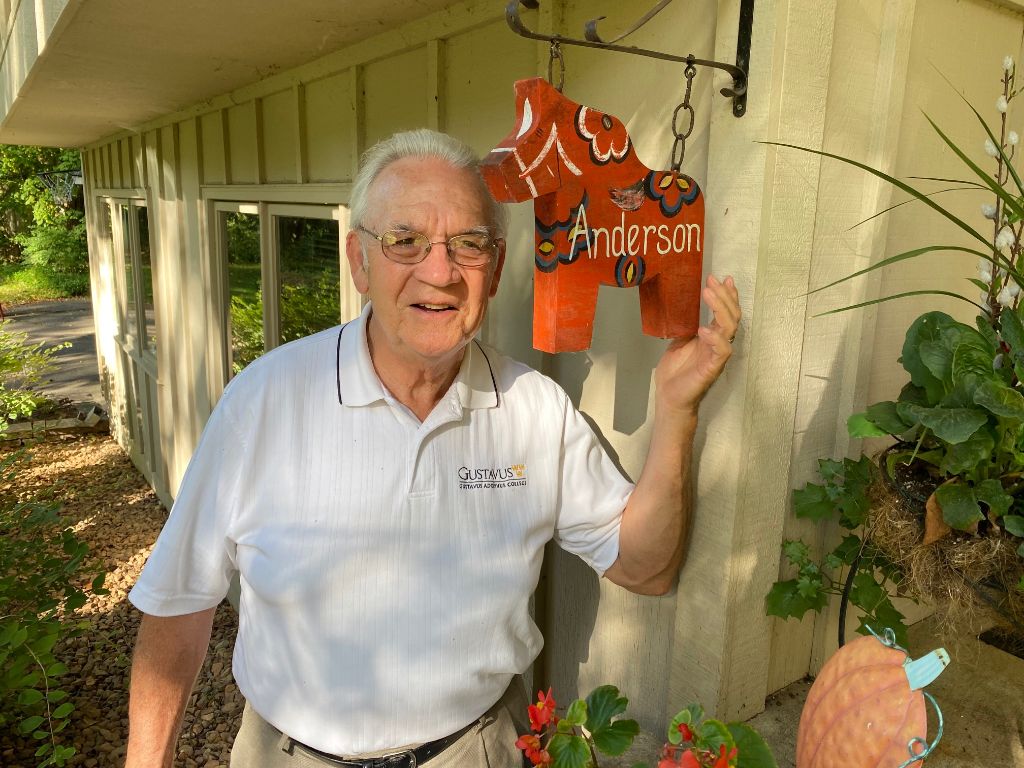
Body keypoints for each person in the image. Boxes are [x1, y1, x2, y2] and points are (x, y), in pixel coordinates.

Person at [124, 128, 740, 768]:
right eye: (404, 241)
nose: (440, 272)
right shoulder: (264, 404)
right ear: (359, 262)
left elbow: (646, 567)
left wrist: (676, 409)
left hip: (474, 752)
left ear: (495, 269)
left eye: (468, 244)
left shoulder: (534, 410)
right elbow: (179, 603)